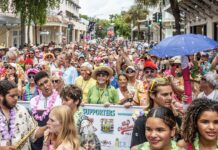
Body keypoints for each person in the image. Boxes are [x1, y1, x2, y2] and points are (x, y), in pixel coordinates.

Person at [130, 77, 182, 148]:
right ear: (152, 95)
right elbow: (136, 147)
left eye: (170, 94)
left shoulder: (176, 117)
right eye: (165, 94)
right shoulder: (142, 120)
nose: (169, 98)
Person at [0, 80, 45, 150]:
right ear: (1, 96)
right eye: (12, 96)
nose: (16, 98)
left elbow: (33, 133)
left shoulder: (22, 110)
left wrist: (47, 127)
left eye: (17, 95)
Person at [61, 85, 101, 150]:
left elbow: (90, 147)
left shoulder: (84, 121)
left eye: (66, 100)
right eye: (62, 100)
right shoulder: (62, 117)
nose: (63, 103)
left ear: (76, 101)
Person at [30, 71, 62, 150]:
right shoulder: (33, 101)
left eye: (46, 82)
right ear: (38, 87)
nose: (45, 86)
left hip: (54, 140)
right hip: (37, 141)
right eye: (41, 85)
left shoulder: (61, 99)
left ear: (50, 80)